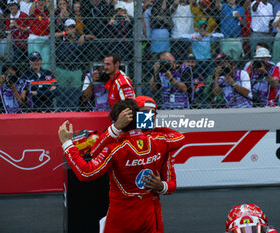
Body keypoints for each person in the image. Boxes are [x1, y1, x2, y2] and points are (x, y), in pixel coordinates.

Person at [58, 99, 184, 233]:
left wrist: (66, 143)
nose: (150, 117)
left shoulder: (115, 147)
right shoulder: (162, 140)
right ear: (136, 116)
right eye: (145, 114)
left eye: (153, 114)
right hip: (144, 215)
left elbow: (86, 171)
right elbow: (179, 138)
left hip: (133, 214)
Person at [54, 18, 93, 111]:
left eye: (73, 27)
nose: (72, 30)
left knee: (75, 92)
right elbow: (51, 36)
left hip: (75, 69)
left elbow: (93, 37)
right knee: (62, 92)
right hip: (62, 69)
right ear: (65, 28)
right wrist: (65, 33)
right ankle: (61, 111)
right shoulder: (61, 37)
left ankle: (74, 110)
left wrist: (84, 36)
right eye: (69, 28)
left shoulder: (79, 36)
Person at [5, 0, 30, 72]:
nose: (12, 7)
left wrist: (17, 26)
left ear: (17, 5)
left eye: (13, 5)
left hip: (26, 43)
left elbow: (29, 30)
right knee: (16, 62)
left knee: (25, 63)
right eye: (10, 5)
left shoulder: (24, 15)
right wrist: (7, 50)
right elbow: (9, 34)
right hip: (16, 45)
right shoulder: (8, 18)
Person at [28, 0, 51, 69]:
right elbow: (30, 12)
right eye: (39, 1)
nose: (41, 2)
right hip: (35, 39)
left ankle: (45, 78)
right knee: (35, 61)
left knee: (46, 62)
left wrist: (48, 4)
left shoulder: (47, 12)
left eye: (43, 1)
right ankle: (35, 78)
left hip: (45, 39)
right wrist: (35, 1)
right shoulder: (35, 10)